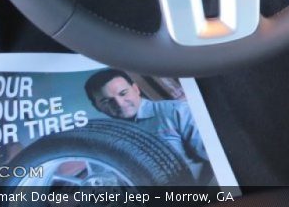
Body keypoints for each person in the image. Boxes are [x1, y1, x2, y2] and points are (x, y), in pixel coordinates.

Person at [84, 69, 213, 183]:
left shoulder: (176, 111)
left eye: (123, 93)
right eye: (106, 101)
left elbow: (214, 158)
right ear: (96, 106)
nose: (119, 103)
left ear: (136, 89)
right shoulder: (100, 139)